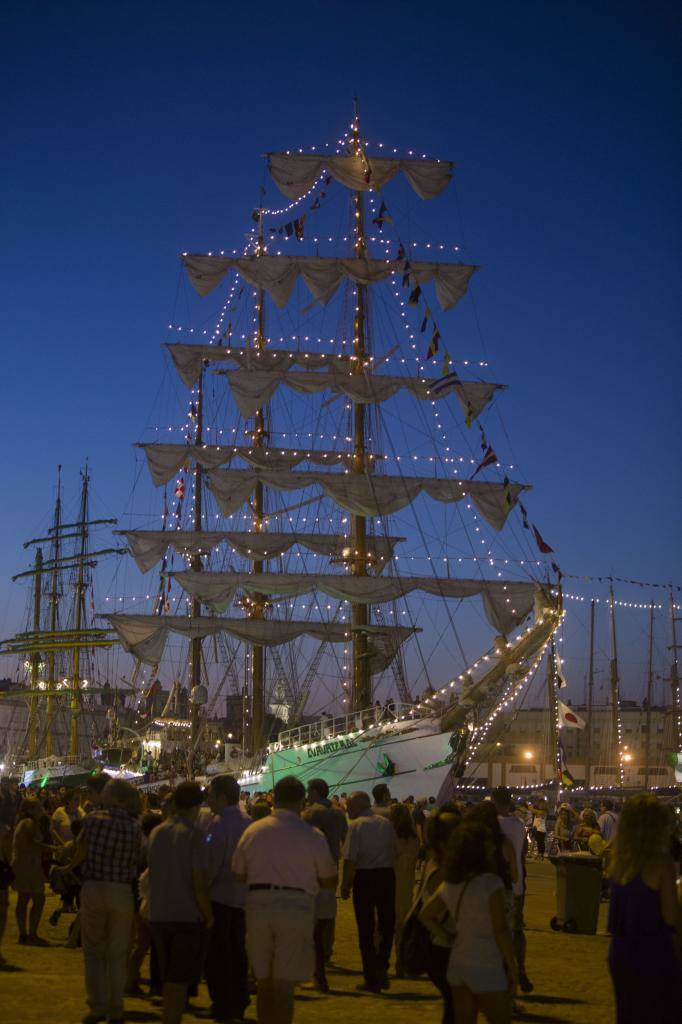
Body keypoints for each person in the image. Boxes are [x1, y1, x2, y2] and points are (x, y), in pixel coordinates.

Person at [232, 775, 336, 1024]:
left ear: (274, 799)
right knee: (284, 986)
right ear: (302, 801)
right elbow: (329, 879)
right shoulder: (312, 835)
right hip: (295, 906)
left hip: (259, 903)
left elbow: (237, 873)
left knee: (264, 981)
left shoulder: (254, 831)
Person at [420, 820, 516, 1024]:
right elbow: (500, 930)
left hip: (458, 962)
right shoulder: (491, 883)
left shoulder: (451, 882)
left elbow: (426, 914)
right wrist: (512, 965)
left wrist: (447, 936)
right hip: (485, 962)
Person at [65, 779, 142, 1024]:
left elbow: (81, 850)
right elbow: (138, 858)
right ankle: (115, 1006)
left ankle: (97, 1005)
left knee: (94, 951)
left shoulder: (93, 820)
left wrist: (68, 867)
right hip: (121, 891)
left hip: (95, 887)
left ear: (115, 798)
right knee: (118, 953)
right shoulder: (135, 827)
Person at [607, 794, 682, 1023]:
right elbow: (671, 918)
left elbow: (613, 920)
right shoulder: (662, 863)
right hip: (654, 952)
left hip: (622, 951)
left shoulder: (619, 862)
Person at [148, 781, 213, 1024]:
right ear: (197, 805)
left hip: (159, 912)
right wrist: (208, 915)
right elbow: (199, 883)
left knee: (168, 978)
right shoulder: (195, 835)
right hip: (185, 914)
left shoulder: (157, 832)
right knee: (178, 980)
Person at [340, 790, 398, 993]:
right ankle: (382, 965)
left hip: (365, 878)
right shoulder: (386, 823)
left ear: (357, 806)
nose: (347, 809)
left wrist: (346, 884)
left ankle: (370, 975)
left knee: (365, 928)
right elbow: (395, 851)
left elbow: (350, 858)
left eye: (349, 805)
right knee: (386, 924)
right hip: (386, 876)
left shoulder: (355, 826)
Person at [205, 775, 250, 1024]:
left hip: (220, 898)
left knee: (218, 955)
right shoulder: (248, 821)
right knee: (238, 953)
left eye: (211, 795)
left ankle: (222, 1004)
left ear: (222, 797)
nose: (208, 799)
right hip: (242, 898)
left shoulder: (218, 823)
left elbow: (212, 863)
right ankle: (240, 1001)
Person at [414, 809, 461, 1024]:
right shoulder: (445, 869)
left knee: (453, 1006)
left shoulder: (433, 861)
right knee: (455, 1006)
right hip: (442, 946)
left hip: (439, 945)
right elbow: (428, 913)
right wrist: (450, 937)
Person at [302, 778, 348, 990]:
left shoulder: (311, 814)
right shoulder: (339, 813)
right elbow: (343, 838)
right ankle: (327, 949)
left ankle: (317, 969)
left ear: (314, 792)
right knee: (329, 912)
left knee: (314, 917)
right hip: (332, 864)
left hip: (313, 868)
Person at [492, 787, 533, 995]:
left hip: (498, 886)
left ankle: (507, 977)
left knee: (498, 933)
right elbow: (523, 852)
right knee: (517, 930)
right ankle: (522, 969)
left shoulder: (491, 826)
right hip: (517, 886)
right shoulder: (518, 824)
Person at [11, 795, 53, 946]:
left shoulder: (22, 821)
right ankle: (31, 934)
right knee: (38, 899)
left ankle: (24, 934)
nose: (41, 810)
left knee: (24, 899)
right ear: (30, 809)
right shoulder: (29, 822)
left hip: (23, 864)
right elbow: (31, 843)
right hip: (28, 864)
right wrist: (50, 848)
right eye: (38, 807)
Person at [389, 802, 420, 977]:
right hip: (406, 887)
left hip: (389, 883)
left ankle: (381, 962)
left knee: (383, 925)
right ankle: (401, 963)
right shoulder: (413, 839)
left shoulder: (389, 837)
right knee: (402, 927)